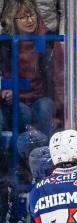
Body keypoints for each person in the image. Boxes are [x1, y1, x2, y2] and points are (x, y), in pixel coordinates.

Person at [0, 0, 63, 137]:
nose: (29, 20)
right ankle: (15, 155)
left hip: (41, 99)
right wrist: (3, 90)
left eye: (32, 15)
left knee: (44, 106)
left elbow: (60, 80)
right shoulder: (5, 43)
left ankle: (46, 152)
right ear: (12, 20)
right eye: (23, 17)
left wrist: (61, 115)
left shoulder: (49, 40)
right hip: (14, 102)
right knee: (18, 112)